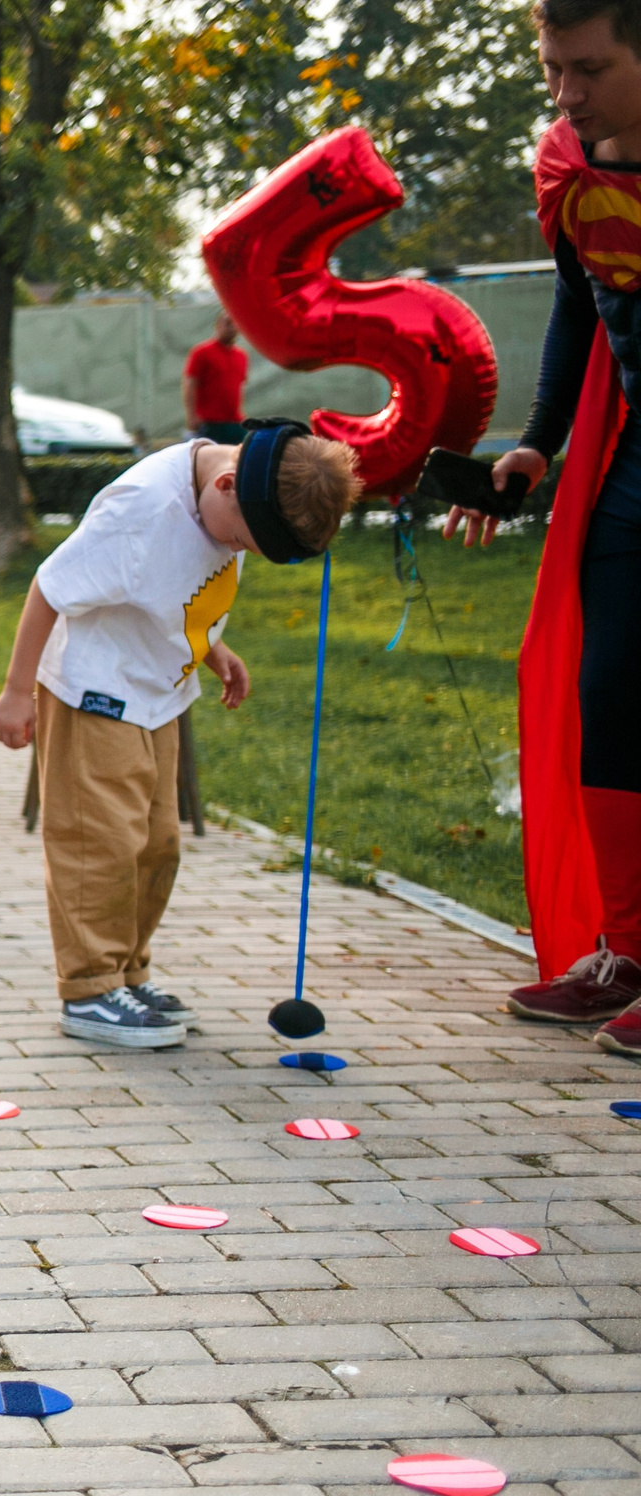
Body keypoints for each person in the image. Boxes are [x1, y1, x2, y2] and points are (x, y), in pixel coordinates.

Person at [0, 421, 361, 1048]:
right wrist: (15, 691)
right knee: (99, 843)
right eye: (242, 539)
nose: (237, 550)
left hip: (157, 696)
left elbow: (173, 591)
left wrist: (214, 650)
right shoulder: (142, 509)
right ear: (225, 485)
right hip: (95, 690)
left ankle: (125, 973)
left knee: (155, 843)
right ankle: (87, 990)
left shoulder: (231, 498)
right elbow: (49, 588)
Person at [445, 0, 641, 1059]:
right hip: (628, 471)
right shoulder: (569, 163)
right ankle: (628, 950)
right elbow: (578, 300)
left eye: (590, 67)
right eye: (553, 68)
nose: (565, 92)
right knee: (607, 696)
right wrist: (537, 439)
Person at [183, 311, 250, 444]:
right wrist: (192, 416)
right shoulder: (202, 352)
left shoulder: (241, 355)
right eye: (228, 324)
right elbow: (190, 384)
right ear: (217, 326)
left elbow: (237, 387)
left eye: (235, 324)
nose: (232, 328)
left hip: (234, 421)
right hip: (209, 422)